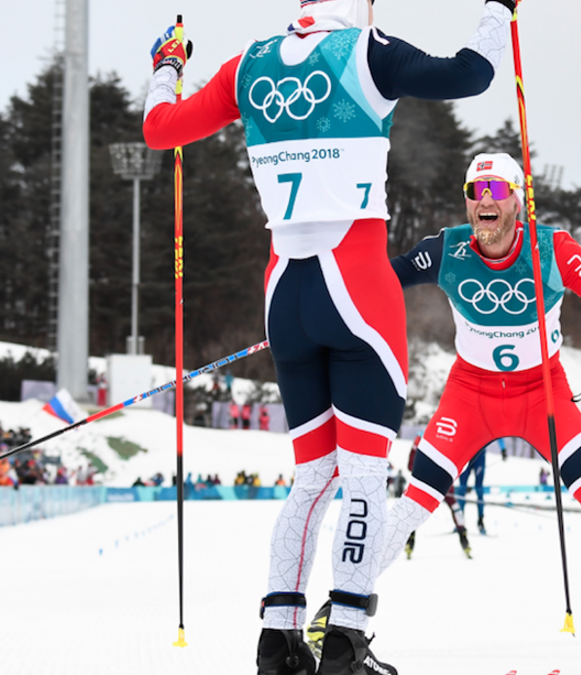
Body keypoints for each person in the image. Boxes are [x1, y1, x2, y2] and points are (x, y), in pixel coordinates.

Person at [141, 2, 514, 673]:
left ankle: (278, 637)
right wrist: (497, 10)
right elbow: (473, 75)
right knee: (366, 473)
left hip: (285, 291)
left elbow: (160, 130)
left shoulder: (249, 64)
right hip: (359, 287)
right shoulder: (365, 49)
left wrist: (167, 65)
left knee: (313, 476)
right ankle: (344, 637)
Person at [318, 152, 581, 652]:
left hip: (541, 394)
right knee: (415, 502)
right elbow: (380, 283)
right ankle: (344, 605)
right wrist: (326, 309)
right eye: (475, 193)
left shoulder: (553, 249)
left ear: (517, 202)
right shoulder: (448, 250)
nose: (485, 201)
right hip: (469, 395)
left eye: (497, 192)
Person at [456, 447, 488, 534]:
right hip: (466, 455)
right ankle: (460, 522)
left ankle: (481, 521)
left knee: (479, 489)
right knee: (462, 489)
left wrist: (503, 449)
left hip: (479, 456)